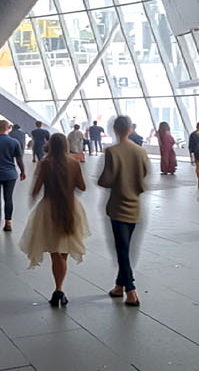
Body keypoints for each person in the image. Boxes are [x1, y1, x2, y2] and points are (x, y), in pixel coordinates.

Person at [19, 133, 89, 306]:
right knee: (63, 250)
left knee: (55, 252)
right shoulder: (73, 162)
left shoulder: (45, 163)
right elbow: (82, 186)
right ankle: (59, 289)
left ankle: (58, 290)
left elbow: (36, 190)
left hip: (49, 209)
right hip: (70, 207)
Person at [97, 115, 147, 307]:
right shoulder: (140, 151)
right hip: (134, 205)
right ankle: (119, 286)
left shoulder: (112, 151)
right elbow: (143, 176)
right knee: (125, 246)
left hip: (117, 206)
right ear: (130, 129)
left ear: (115, 130)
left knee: (122, 248)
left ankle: (131, 289)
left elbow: (106, 180)